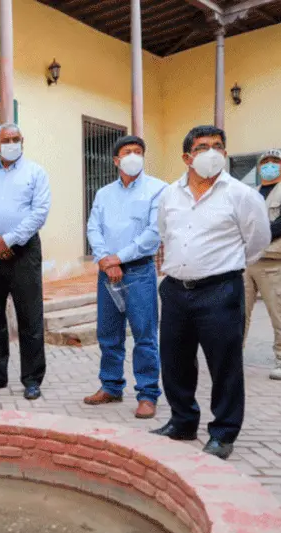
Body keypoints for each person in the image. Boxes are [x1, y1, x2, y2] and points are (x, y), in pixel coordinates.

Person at [151, 125, 270, 460]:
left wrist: (224, 267)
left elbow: (258, 240)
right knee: (174, 362)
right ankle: (183, 421)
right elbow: (165, 233)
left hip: (219, 290)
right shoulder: (169, 195)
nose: (212, 153)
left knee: (224, 364)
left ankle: (223, 433)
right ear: (187, 156)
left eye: (218, 146)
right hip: (175, 290)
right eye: (203, 147)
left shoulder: (241, 195)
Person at [84, 135, 167, 419]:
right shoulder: (104, 193)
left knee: (144, 335)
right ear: (116, 160)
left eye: (138, 151)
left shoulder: (158, 190)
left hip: (139, 271)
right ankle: (110, 386)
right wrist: (106, 260)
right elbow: (93, 227)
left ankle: (147, 394)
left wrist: (119, 258)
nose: (133, 156)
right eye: (127, 152)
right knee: (108, 334)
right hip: (107, 272)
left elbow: (153, 233)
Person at [0, 123, 51, 401]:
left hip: (24, 252)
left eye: (16, 139)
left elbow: (39, 212)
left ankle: (32, 378)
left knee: (30, 317)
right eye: (6, 140)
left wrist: (9, 239)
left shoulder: (35, 173)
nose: (12, 143)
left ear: (22, 141)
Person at [244, 148, 281, 381]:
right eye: (265, 162)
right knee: (239, 315)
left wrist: (255, 237)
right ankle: (232, 360)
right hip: (247, 263)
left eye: (275, 161)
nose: (270, 165)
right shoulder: (252, 193)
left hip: (274, 263)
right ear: (259, 168)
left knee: (280, 316)